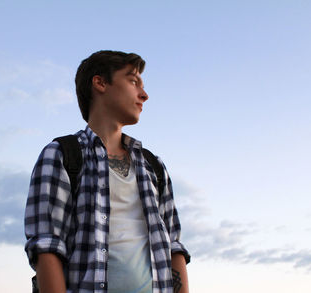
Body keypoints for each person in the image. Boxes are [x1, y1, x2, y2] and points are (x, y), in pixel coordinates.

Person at [24, 50, 190, 293]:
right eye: (133, 81)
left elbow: (174, 248)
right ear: (100, 83)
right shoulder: (62, 154)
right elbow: (46, 246)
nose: (143, 95)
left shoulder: (153, 165)